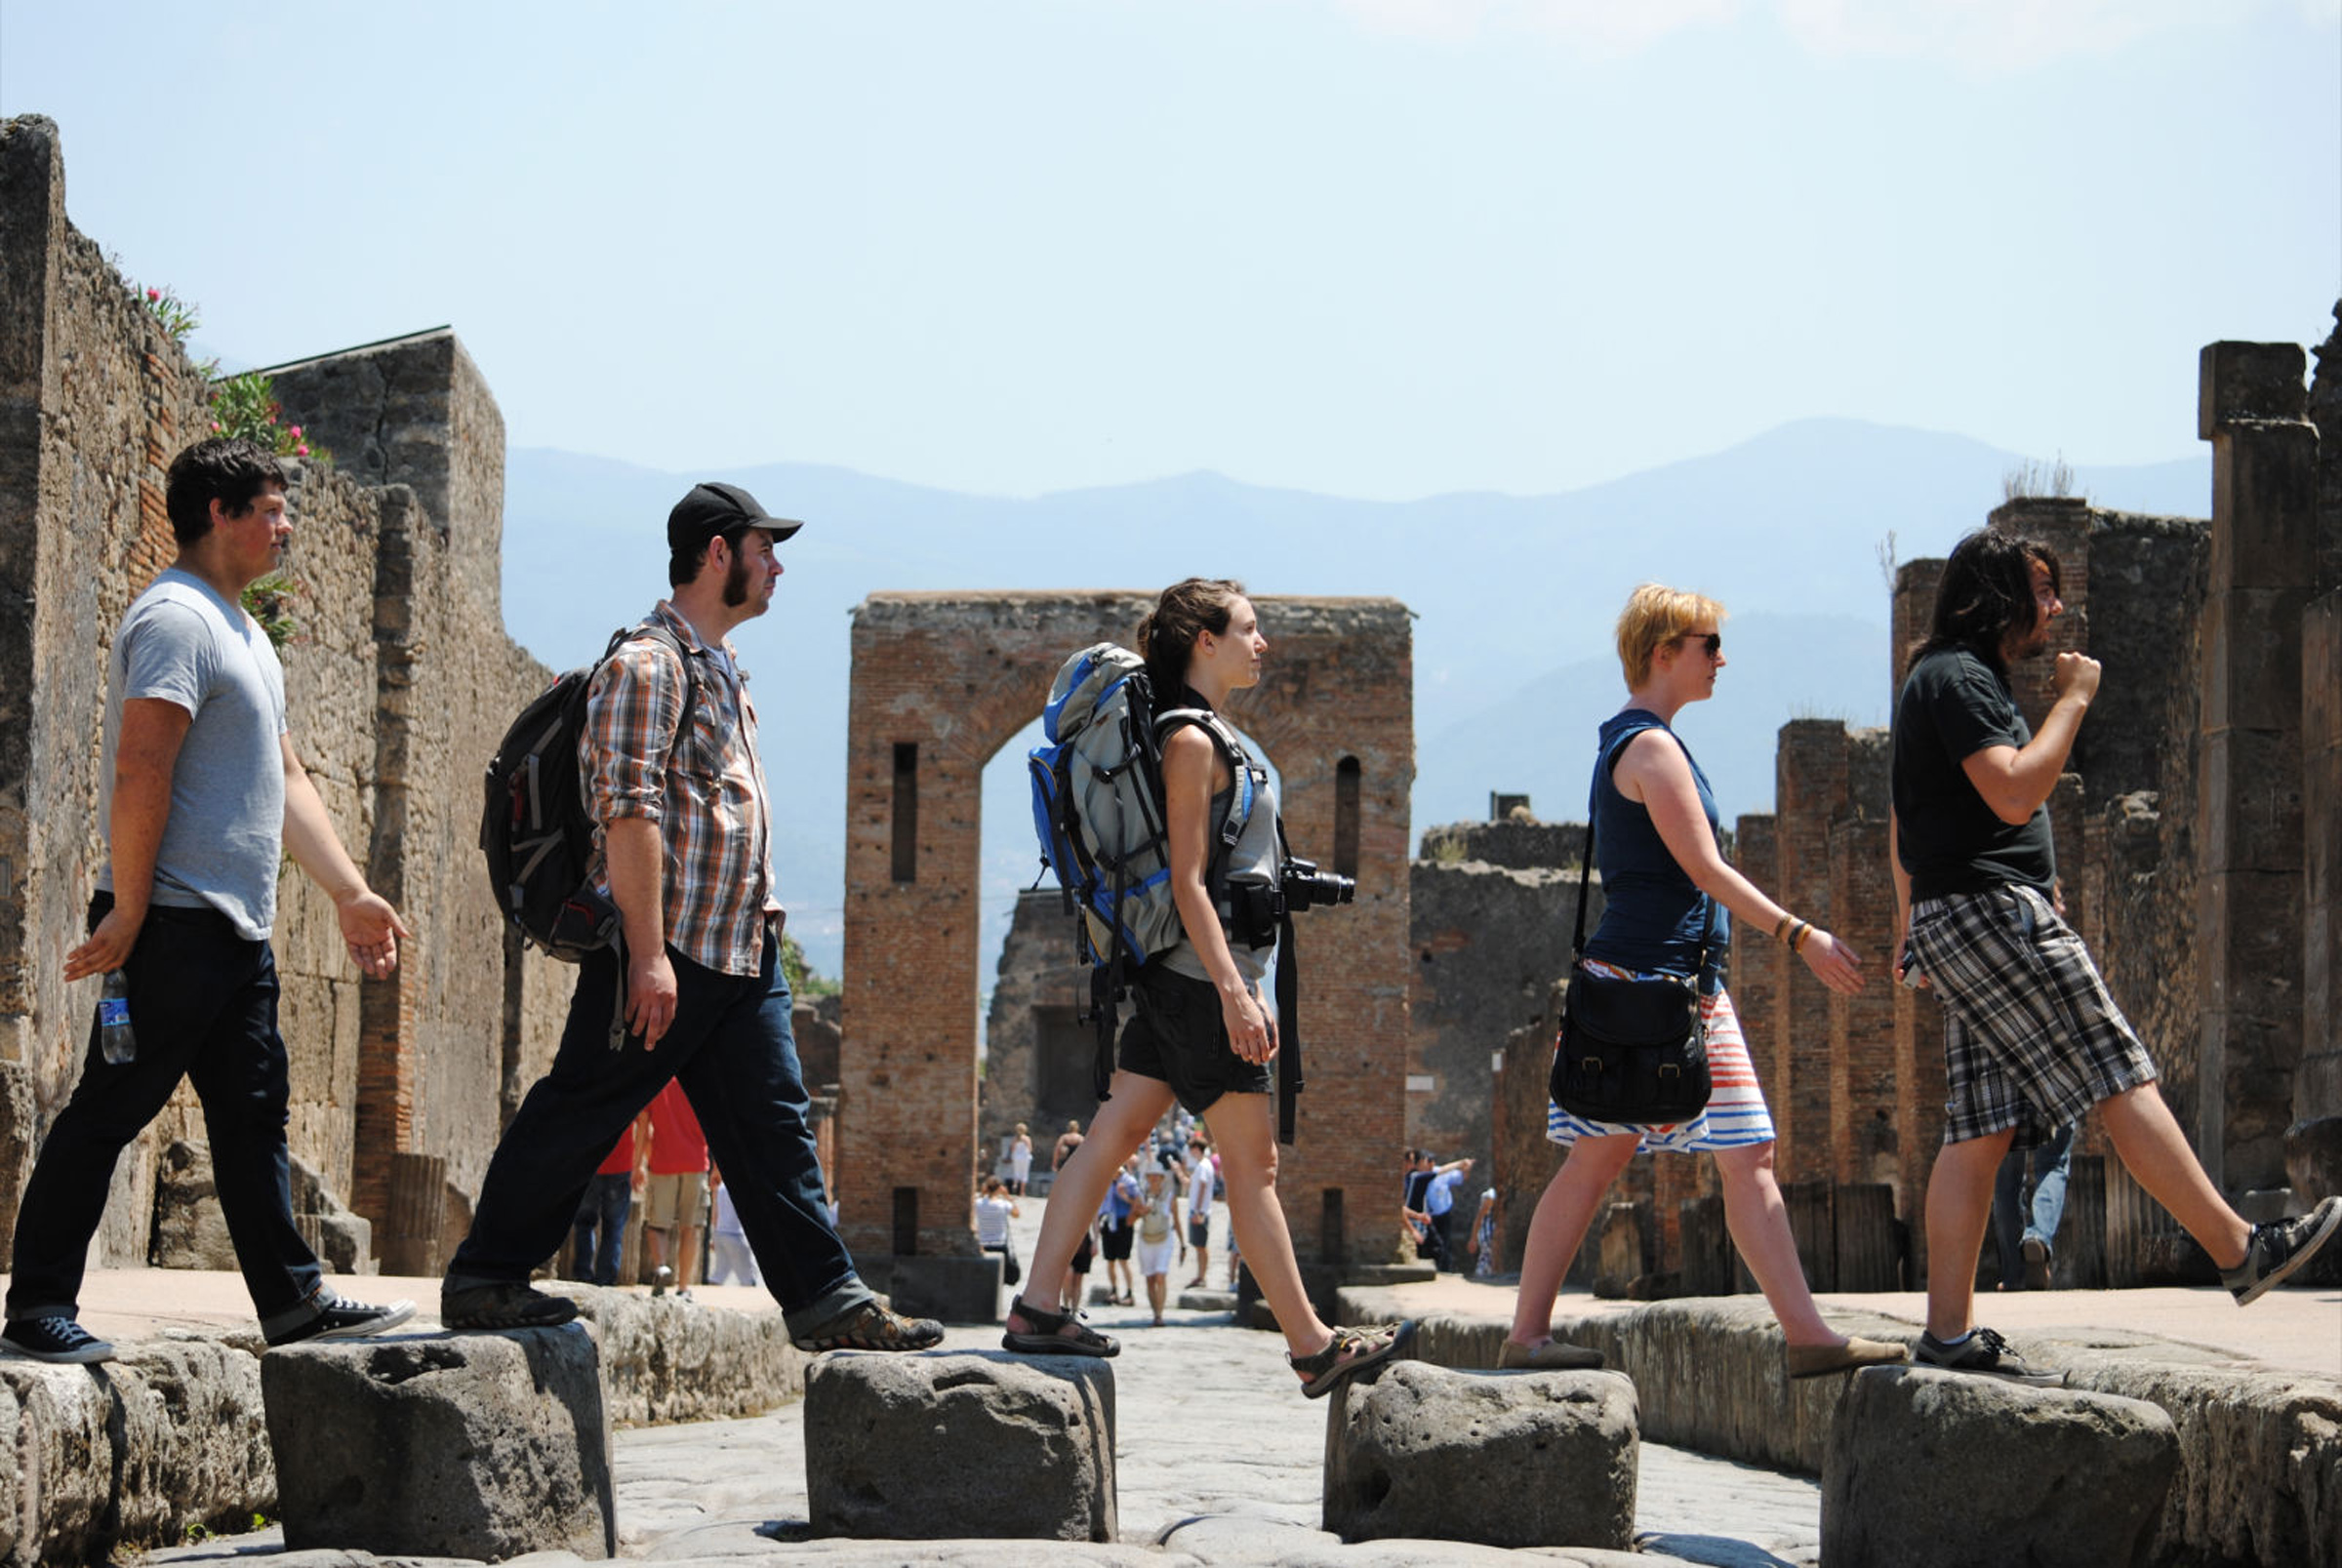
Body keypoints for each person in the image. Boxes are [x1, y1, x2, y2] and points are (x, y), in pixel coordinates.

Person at [435, 481, 941, 1354]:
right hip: (668, 947)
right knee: (582, 1105)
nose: (776, 565)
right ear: (718, 555)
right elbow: (628, 810)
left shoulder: (719, 667)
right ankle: (485, 1275)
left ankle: (826, 1296)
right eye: (763, 548)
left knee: (774, 1127)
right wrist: (646, 954)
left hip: (741, 949)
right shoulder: (649, 664)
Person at [1892, 529, 2341, 1383]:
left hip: (1962, 914)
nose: (2055, 607)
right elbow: (2017, 787)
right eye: (2040, 590)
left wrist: (1914, 924)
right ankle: (2238, 1248)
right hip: (1992, 915)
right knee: (2118, 1069)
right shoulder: (1959, 678)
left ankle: (1946, 1333)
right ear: (1997, 596)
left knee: (1980, 1128)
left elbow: (1905, 822)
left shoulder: (1935, 679)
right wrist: (2076, 698)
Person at [1, 438, 416, 1363]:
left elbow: (288, 773)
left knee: (252, 1119)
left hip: (235, 933)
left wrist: (350, 892)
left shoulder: (246, 633)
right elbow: (140, 766)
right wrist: (132, 907)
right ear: (218, 514)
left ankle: (293, 1301)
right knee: (110, 1109)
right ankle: (35, 1309)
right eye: (268, 507)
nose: (285, 524)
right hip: (172, 923)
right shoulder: (177, 620)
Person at [1001, 579, 1411, 1397]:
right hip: (1200, 980)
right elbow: (1188, 883)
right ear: (1204, 641)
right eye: (1248, 630)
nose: (1262, 643)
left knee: (1114, 1131)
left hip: (1180, 977)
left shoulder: (1212, 734)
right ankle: (1312, 1344)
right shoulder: (1190, 740)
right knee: (1252, 1167)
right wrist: (1234, 989)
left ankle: (1038, 1306)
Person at [1508, 584, 1904, 1381]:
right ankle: (1804, 1335)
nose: (1722, 658)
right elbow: (1706, 868)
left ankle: (1530, 1335)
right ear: (1665, 652)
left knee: (1619, 1157)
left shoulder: (1639, 742)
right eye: (1708, 643)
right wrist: (1800, 935)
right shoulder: (1649, 749)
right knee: (1729, 1153)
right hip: (1657, 982)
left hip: (1650, 978)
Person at [639, 1080, 710, 1298]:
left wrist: (637, 1166)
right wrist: (718, 1168)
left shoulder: (657, 1079)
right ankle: (683, 1287)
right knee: (691, 1227)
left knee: (658, 1224)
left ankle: (661, 1266)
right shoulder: (702, 1082)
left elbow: (643, 1124)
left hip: (662, 1162)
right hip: (696, 1162)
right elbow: (715, 1125)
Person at [1993, 1120, 2075, 1292]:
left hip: (2005, 1096)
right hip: (2054, 1094)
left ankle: (2014, 1275)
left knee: (2007, 1176)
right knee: (2053, 1164)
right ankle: (2039, 1237)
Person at [570, 1125, 634, 1286]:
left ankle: (583, 1273)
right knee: (613, 1227)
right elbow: (643, 1127)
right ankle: (605, 1278)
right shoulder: (628, 1099)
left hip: (590, 1164)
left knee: (584, 1223)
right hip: (620, 1165)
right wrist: (638, 1162)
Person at [1131, 1160, 1182, 1325]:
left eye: (1156, 1176)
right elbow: (1130, 1220)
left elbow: (1177, 1220)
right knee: (1150, 1278)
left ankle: (1159, 1314)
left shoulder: (1169, 1196)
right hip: (1146, 1238)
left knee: (1160, 1276)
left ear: (1161, 1178)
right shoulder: (1141, 1195)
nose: (1154, 1179)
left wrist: (1183, 1243)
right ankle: (1155, 1313)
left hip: (1164, 1238)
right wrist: (1141, 1211)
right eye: (1151, 1176)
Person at [1098, 1157, 1140, 1306]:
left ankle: (1129, 1292)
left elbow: (1137, 1202)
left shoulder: (1129, 1182)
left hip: (1123, 1222)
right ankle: (1114, 1290)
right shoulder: (1106, 1181)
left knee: (1123, 1260)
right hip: (1109, 1221)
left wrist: (1124, 1196)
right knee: (1110, 1260)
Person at [1424, 1155, 1474, 1272]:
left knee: (1445, 1243)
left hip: (1443, 1214)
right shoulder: (1421, 1175)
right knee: (1431, 1244)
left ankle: (1444, 1269)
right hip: (1428, 1216)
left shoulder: (1442, 1173)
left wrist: (1467, 1168)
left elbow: (1462, 1177)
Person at [1183, 1134, 1218, 1287]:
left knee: (1201, 1245)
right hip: (1200, 1210)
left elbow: (1202, 1187)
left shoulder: (1203, 1165)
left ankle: (1202, 1276)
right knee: (1199, 1245)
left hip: (1200, 1211)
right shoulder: (1203, 1164)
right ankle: (1200, 1275)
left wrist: (1197, 1210)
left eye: (1191, 1148)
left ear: (1197, 1148)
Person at [977, 1176, 1022, 1286]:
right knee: (999, 1281)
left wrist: (983, 1193)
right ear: (1000, 1188)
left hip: (983, 1244)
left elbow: (979, 1201)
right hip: (1000, 1245)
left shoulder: (978, 1203)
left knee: (984, 1280)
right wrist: (1007, 1196)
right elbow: (1017, 1214)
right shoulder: (1004, 1204)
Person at [1467, 1186, 1500, 1279]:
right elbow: (1480, 1216)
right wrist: (1473, 1238)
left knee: (1486, 1258)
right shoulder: (1491, 1195)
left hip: (1488, 1236)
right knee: (1486, 1257)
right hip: (1486, 1236)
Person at [1008, 1123, 1033, 1195]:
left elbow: (1012, 1149)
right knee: (1024, 1173)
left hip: (1016, 1157)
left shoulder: (1015, 1139)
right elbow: (1030, 1149)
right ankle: (1022, 1192)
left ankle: (1014, 1186)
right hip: (1025, 1157)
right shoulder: (1027, 1138)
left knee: (1016, 1172)